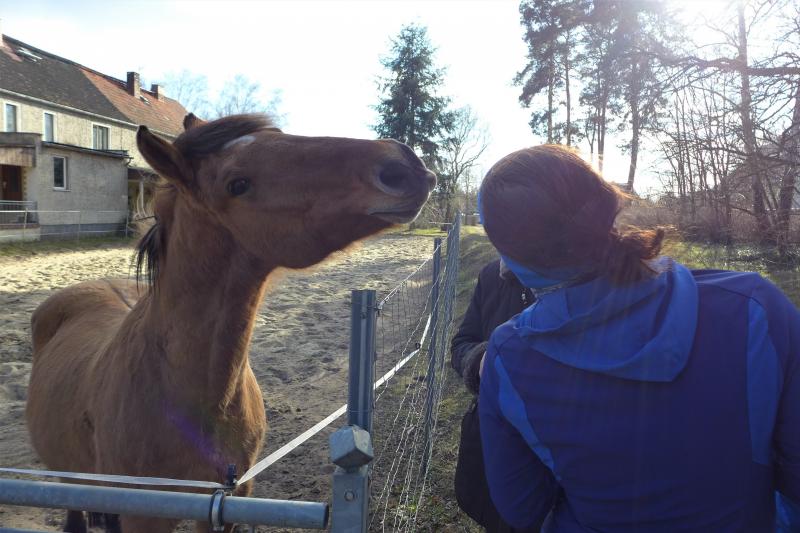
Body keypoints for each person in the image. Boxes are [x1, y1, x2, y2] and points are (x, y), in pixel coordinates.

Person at [476, 145, 800, 532]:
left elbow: (522, 508)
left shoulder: (509, 356)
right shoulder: (754, 307)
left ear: (511, 254)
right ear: (606, 203)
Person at [451, 258, 534, 532]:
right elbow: (462, 342)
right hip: (494, 443)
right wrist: (479, 360)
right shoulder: (492, 275)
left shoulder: (590, 280)